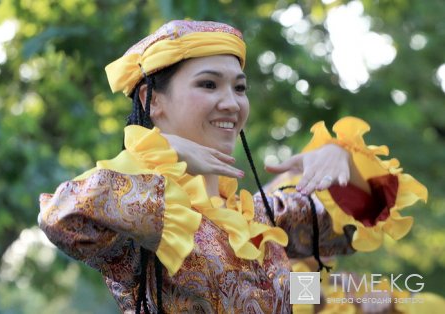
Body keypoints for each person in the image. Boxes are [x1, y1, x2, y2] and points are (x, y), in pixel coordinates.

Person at [38, 20, 427, 313]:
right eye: (209, 85)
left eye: (239, 88)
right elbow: (64, 217)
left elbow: (357, 221)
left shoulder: (261, 217)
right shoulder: (149, 214)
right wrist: (165, 151)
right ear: (151, 99)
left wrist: (342, 156)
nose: (232, 102)